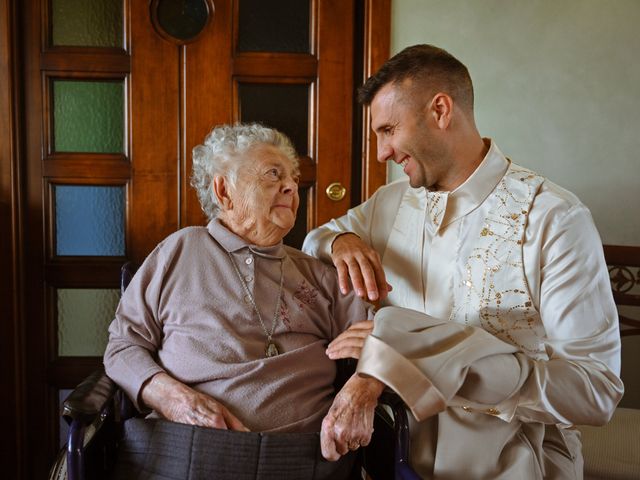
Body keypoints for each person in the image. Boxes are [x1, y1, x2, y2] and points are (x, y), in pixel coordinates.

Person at [302, 44, 624, 478]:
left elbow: (595, 391)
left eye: (389, 129)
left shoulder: (555, 219)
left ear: (440, 110)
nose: (381, 152)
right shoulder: (389, 203)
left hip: (515, 460)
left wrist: (417, 355)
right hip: (395, 453)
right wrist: (341, 239)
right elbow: (313, 240)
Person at [103, 123, 373, 479]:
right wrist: (173, 399)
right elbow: (122, 347)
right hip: (189, 448)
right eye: (273, 174)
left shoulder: (319, 273)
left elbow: (377, 341)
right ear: (223, 190)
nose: (292, 186)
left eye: (293, 178)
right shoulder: (181, 250)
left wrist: (366, 380)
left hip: (303, 456)